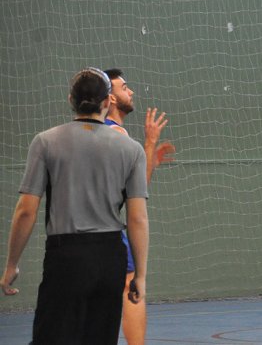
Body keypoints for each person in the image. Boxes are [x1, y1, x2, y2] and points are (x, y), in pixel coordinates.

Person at [0, 68, 149, 345]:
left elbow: (26, 210)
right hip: (110, 259)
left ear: (71, 99)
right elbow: (138, 218)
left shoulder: (46, 142)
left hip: (66, 258)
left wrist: (11, 264)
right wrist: (139, 275)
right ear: (107, 101)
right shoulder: (131, 149)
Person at [104, 68, 175, 345]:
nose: (130, 91)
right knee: (130, 286)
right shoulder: (117, 134)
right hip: (107, 228)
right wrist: (150, 142)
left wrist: (150, 158)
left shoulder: (93, 131)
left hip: (75, 235)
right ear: (109, 98)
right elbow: (136, 191)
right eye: (124, 87)